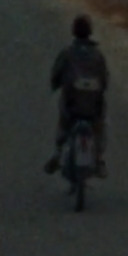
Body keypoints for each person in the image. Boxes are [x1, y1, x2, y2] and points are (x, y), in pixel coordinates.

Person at [44, 14, 109, 177]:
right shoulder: (98, 55)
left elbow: (56, 74)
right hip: (93, 106)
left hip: (72, 104)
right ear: (90, 32)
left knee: (63, 122)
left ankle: (58, 153)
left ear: (73, 32)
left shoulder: (67, 53)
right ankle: (99, 158)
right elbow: (105, 79)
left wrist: (55, 84)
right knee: (99, 126)